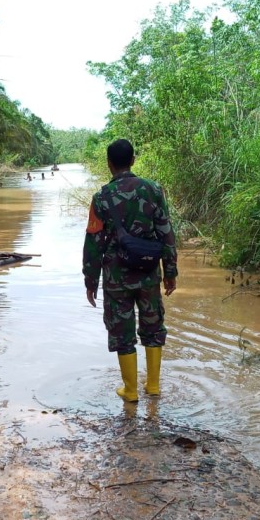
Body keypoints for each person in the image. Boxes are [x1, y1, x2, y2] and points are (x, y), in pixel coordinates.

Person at [82, 139, 178, 402]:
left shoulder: (101, 197)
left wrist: (90, 280)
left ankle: (131, 391)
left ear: (109, 164)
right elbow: (166, 232)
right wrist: (170, 270)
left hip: (116, 277)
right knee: (153, 325)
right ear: (133, 160)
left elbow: (94, 241)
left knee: (122, 331)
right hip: (148, 272)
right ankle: (154, 386)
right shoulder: (154, 189)